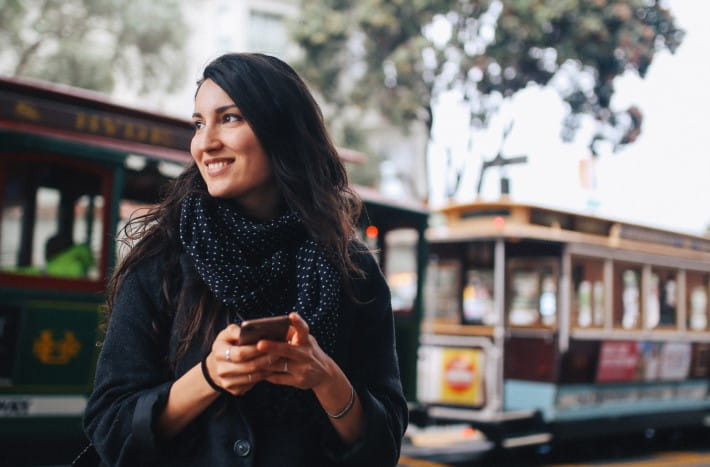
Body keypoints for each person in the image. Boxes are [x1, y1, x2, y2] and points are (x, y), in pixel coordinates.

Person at [83, 53, 408, 466]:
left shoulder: (351, 269)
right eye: (199, 123)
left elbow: (385, 445)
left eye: (230, 118)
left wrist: (325, 378)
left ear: (282, 129)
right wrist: (209, 377)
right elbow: (109, 427)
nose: (206, 142)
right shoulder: (161, 257)